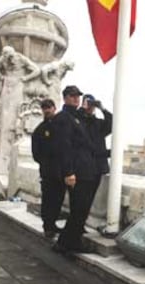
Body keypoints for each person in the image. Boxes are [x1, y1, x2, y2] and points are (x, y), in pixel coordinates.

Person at [52, 85, 97, 254]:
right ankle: (69, 243)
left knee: (81, 209)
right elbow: (64, 147)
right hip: (76, 171)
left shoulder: (76, 117)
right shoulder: (63, 118)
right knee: (79, 209)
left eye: (78, 96)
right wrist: (68, 172)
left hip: (85, 169)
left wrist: (91, 109)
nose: (76, 99)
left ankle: (66, 242)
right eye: (72, 96)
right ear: (65, 97)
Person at [31, 98, 65, 238]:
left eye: (49, 107)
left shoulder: (61, 127)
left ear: (54, 108)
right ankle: (48, 226)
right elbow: (36, 154)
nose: (47, 110)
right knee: (48, 200)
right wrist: (47, 164)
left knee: (58, 200)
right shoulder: (40, 130)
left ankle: (53, 224)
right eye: (44, 108)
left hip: (61, 171)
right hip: (48, 172)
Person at [77, 94, 112, 219]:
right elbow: (73, 120)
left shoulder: (98, 124)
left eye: (92, 105)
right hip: (83, 168)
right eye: (88, 104)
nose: (91, 107)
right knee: (79, 201)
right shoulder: (78, 121)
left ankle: (81, 224)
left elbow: (113, 124)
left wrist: (103, 109)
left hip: (97, 168)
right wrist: (82, 109)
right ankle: (77, 227)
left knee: (89, 200)